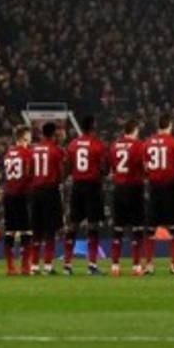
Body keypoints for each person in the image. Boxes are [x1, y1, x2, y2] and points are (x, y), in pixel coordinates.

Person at [64, 116, 107, 275]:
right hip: (92, 187)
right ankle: (92, 265)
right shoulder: (97, 145)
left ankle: (67, 265)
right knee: (93, 225)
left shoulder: (73, 144)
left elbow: (67, 167)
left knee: (73, 224)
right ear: (93, 126)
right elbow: (105, 169)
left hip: (77, 187)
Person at [143, 115, 174, 275]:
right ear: (169, 125)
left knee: (151, 229)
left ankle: (149, 265)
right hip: (170, 188)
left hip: (154, 188)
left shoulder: (148, 143)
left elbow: (145, 167)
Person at [109, 120, 146, 277]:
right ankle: (136, 267)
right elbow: (143, 166)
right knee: (136, 229)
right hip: (134, 189)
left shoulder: (114, 146)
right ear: (135, 130)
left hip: (118, 190)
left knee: (118, 230)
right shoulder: (138, 145)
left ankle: (115, 266)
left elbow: (111, 168)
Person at [30, 123, 67, 275]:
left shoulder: (34, 149)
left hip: (36, 191)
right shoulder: (57, 150)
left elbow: (30, 171)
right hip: (50, 190)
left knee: (37, 230)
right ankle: (48, 265)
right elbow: (60, 173)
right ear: (54, 134)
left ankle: (33, 265)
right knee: (50, 230)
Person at [1, 127, 33, 275]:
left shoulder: (8, 153)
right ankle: (26, 267)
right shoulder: (27, 153)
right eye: (29, 136)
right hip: (22, 194)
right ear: (24, 137)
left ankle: (10, 267)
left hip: (8, 195)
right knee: (26, 231)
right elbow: (29, 173)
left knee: (10, 232)